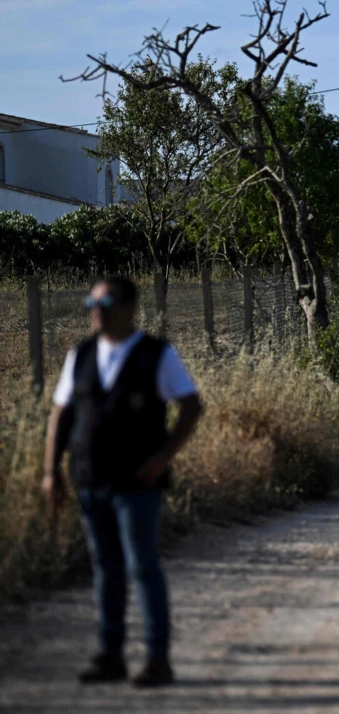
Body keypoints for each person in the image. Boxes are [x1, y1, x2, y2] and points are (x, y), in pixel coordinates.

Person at [41, 277, 203, 688]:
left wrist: (162, 458)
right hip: (90, 479)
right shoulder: (80, 355)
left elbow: (190, 406)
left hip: (137, 483)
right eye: (91, 303)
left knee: (142, 565)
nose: (97, 310)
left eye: (106, 302)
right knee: (105, 568)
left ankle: (157, 658)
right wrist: (50, 471)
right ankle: (110, 655)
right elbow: (61, 414)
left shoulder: (156, 355)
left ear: (130, 306)